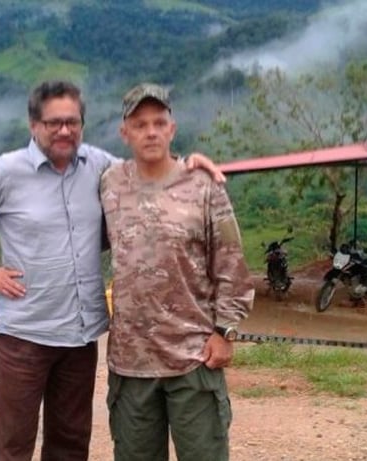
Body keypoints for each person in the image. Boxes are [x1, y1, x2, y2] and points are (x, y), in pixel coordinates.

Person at [0, 80, 225, 461]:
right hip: (25, 334)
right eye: (53, 123)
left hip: (80, 338)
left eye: (72, 122)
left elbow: (148, 170)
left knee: (70, 443)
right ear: (33, 125)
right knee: (12, 444)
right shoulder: (5, 172)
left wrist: (188, 165)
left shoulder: (99, 166)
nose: (64, 130)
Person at [100, 83, 255, 461]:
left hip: (193, 357)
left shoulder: (203, 186)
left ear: (172, 129)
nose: (150, 132)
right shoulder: (109, 183)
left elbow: (231, 262)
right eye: (140, 125)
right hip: (131, 362)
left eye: (159, 123)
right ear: (124, 133)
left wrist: (225, 331)